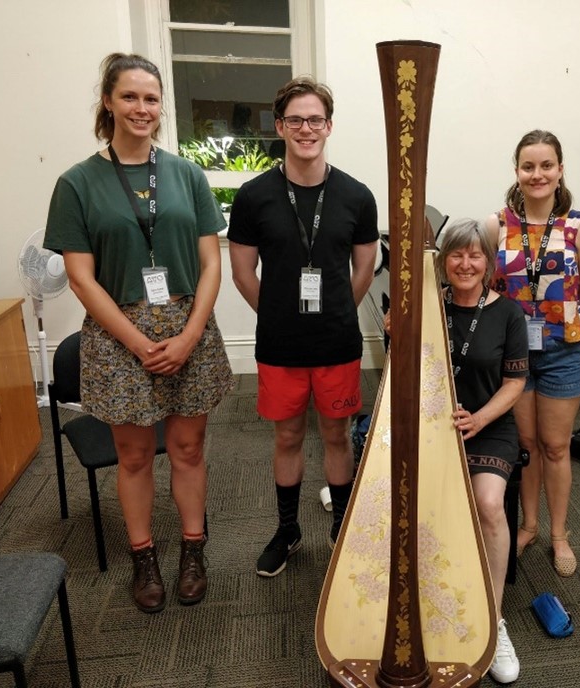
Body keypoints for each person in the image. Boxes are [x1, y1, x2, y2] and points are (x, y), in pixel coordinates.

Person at [44, 53, 234, 613]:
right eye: (129, 97)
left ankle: (192, 550)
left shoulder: (186, 174)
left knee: (188, 447)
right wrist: (138, 342)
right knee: (131, 456)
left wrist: (188, 336)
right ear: (108, 102)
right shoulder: (77, 183)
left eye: (151, 99)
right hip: (117, 335)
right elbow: (80, 277)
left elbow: (210, 263)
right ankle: (144, 556)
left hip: (187, 326)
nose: (142, 108)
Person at [228, 77, 379, 578]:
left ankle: (340, 528)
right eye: (296, 120)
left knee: (336, 435)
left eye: (316, 119)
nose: (306, 128)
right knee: (288, 436)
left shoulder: (357, 196)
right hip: (280, 346)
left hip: (337, 343)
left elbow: (363, 271)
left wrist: (336, 310)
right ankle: (288, 530)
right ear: (280, 127)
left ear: (329, 126)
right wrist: (276, 314)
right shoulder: (254, 196)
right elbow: (243, 274)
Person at [385, 218, 528, 684]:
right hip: (429, 427)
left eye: (475, 255)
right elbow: (403, 370)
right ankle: (426, 597)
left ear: (488, 262)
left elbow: (515, 383)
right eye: (456, 255)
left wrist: (480, 418)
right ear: (443, 262)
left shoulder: (507, 312)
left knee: (488, 504)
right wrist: (395, 332)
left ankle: (494, 619)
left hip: (488, 426)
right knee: (413, 501)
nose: (465, 264)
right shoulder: (425, 306)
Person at [486, 130, 580, 578]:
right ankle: (530, 525)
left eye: (546, 166)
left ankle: (559, 534)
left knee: (556, 447)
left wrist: (559, 324)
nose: (538, 174)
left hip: (562, 352)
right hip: (511, 356)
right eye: (528, 166)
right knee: (528, 446)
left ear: (560, 170)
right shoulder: (497, 225)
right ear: (517, 172)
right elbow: (485, 286)